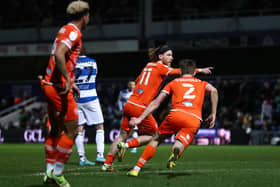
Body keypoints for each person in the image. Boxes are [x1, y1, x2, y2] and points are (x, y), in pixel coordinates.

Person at [101, 42, 213, 171]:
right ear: (160, 57)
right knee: (154, 136)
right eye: (169, 55)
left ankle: (107, 164)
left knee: (122, 134)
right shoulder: (161, 67)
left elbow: (137, 81)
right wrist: (199, 70)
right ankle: (125, 145)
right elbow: (180, 71)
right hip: (141, 106)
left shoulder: (148, 66)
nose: (172, 58)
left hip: (130, 103)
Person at [127, 59, 218, 176]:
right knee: (181, 141)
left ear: (180, 72)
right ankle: (176, 151)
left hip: (176, 114)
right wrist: (213, 113)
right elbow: (214, 91)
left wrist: (140, 118)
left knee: (156, 139)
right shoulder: (202, 83)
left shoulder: (173, 83)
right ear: (194, 72)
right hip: (194, 118)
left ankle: (136, 169)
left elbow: (156, 103)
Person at [40, 1, 90, 187]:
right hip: (59, 87)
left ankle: (48, 172)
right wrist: (68, 81)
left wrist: (71, 80)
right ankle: (58, 174)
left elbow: (61, 56)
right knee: (72, 129)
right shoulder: (74, 32)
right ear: (85, 16)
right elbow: (59, 54)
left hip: (49, 84)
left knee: (55, 129)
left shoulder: (64, 29)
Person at [74, 48, 105, 165]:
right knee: (99, 126)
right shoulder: (92, 61)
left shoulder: (72, 63)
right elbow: (95, 76)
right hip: (91, 96)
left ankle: (82, 158)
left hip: (77, 98)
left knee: (79, 128)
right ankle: (100, 155)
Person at [116, 80, 138, 153]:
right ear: (128, 85)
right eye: (130, 84)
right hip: (125, 114)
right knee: (123, 130)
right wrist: (120, 109)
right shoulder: (122, 92)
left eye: (133, 85)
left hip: (133, 114)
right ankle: (123, 145)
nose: (132, 86)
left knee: (134, 130)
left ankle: (134, 147)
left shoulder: (137, 93)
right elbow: (119, 101)